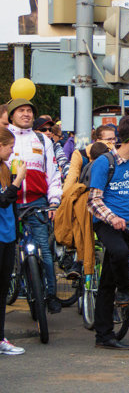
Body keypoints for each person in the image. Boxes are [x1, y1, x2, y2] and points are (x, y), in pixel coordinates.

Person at [87, 117, 129, 350]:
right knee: (119, 252)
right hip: (107, 223)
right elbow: (93, 200)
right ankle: (125, 291)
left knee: (107, 281)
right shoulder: (105, 163)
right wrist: (112, 218)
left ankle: (103, 334)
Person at [6, 98, 64, 312]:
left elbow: (53, 173)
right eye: (21, 111)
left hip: (37, 202)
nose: (26, 114)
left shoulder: (41, 139)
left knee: (45, 252)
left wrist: (55, 201)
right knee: (8, 251)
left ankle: (50, 294)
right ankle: (14, 285)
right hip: (10, 204)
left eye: (29, 111)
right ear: (12, 115)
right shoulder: (4, 138)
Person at [0, 128, 26, 355]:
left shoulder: (5, 169)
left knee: (2, 288)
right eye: (9, 146)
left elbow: (10, 203)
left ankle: (0, 339)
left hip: (7, 235)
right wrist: (17, 182)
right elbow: (2, 200)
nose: (12, 151)